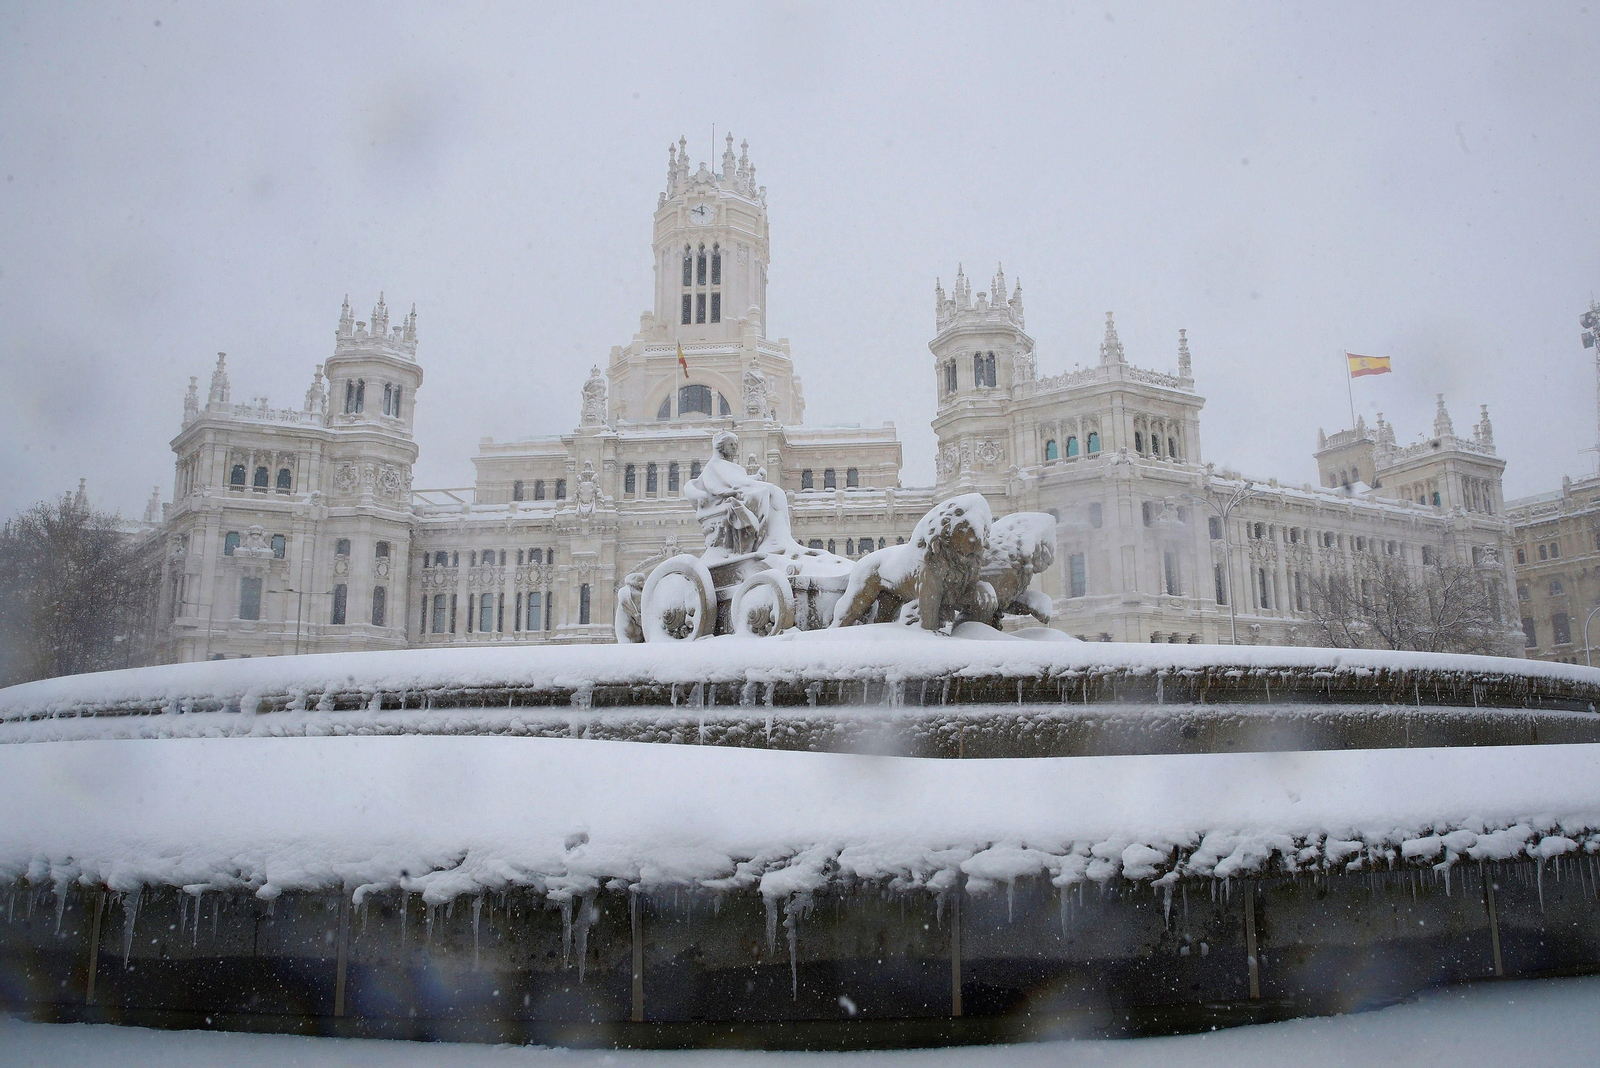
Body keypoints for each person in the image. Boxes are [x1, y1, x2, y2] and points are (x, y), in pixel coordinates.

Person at [684, 431, 795, 555]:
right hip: (724, 501)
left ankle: (781, 538)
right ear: (721, 447)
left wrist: (756, 479)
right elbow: (731, 484)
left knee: (775, 493)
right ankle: (766, 540)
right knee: (765, 493)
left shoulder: (728, 465)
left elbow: (740, 481)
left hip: (738, 494)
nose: (734, 447)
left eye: (735, 445)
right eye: (730, 444)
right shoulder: (715, 465)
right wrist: (748, 486)